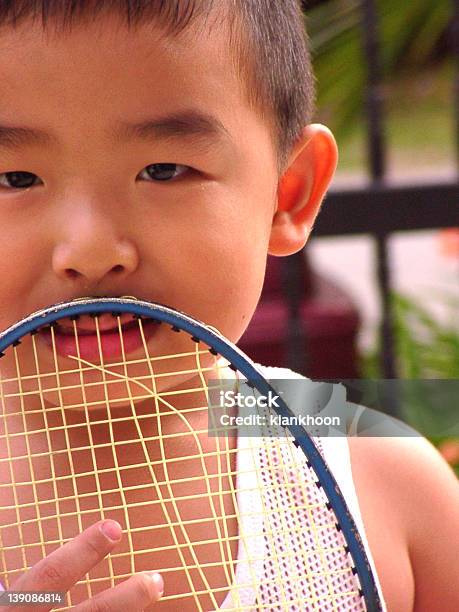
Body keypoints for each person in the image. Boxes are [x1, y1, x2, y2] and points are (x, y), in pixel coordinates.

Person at [0, 1, 457, 610]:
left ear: (287, 194)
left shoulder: (386, 481)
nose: (89, 250)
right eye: (14, 179)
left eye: (164, 170)